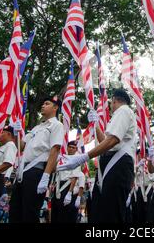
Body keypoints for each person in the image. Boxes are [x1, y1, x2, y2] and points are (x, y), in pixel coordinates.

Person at [58, 88, 137, 223]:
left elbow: (113, 141)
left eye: (110, 103)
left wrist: (83, 157)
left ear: (114, 100)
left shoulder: (123, 111)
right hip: (110, 168)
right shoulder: (120, 115)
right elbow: (106, 141)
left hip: (118, 166)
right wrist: (95, 125)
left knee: (112, 215)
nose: (110, 106)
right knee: (101, 213)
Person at [9, 97, 63, 223]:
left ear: (55, 108)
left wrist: (46, 176)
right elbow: (21, 146)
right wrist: (16, 133)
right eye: (43, 103)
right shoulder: (36, 128)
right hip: (23, 171)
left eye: (47, 103)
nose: (43, 105)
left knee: (30, 212)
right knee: (15, 210)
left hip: (37, 171)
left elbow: (55, 150)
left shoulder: (56, 125)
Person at [51, 140, 84, 223]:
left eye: (74, 148)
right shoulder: (62, 158)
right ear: (67, 147)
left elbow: (75, 177)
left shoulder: (77, 159)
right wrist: (56, 160)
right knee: (56, 213)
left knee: (66, 214)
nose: (72, 149)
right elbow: (54, 170)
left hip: (68, 186)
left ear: (76, 150)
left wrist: (69, 193)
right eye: (70, 147)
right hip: (58, 186)